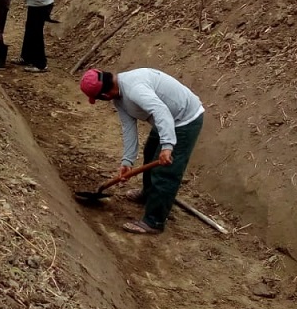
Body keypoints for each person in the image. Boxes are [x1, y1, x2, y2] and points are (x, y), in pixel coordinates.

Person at [80, 68, 205, 235]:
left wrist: (168, 146)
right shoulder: (119, 98)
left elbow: (161, 112)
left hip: (184, 120)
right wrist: (127, 161)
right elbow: (128, 128)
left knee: (165, 173)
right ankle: (148, 194)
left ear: (105, 95)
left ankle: (154, 221)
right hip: (164, 120)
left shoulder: (134, 89)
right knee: (150, 153)